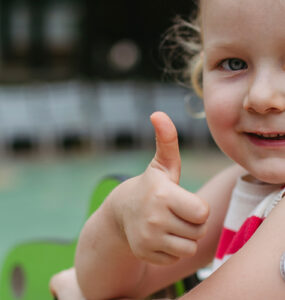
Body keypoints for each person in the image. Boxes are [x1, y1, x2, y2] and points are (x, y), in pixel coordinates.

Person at [50, 0, 285, 299]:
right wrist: (119, 218)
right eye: (234, 63)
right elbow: (102, 286)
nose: (262, 97)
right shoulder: (244, 186)